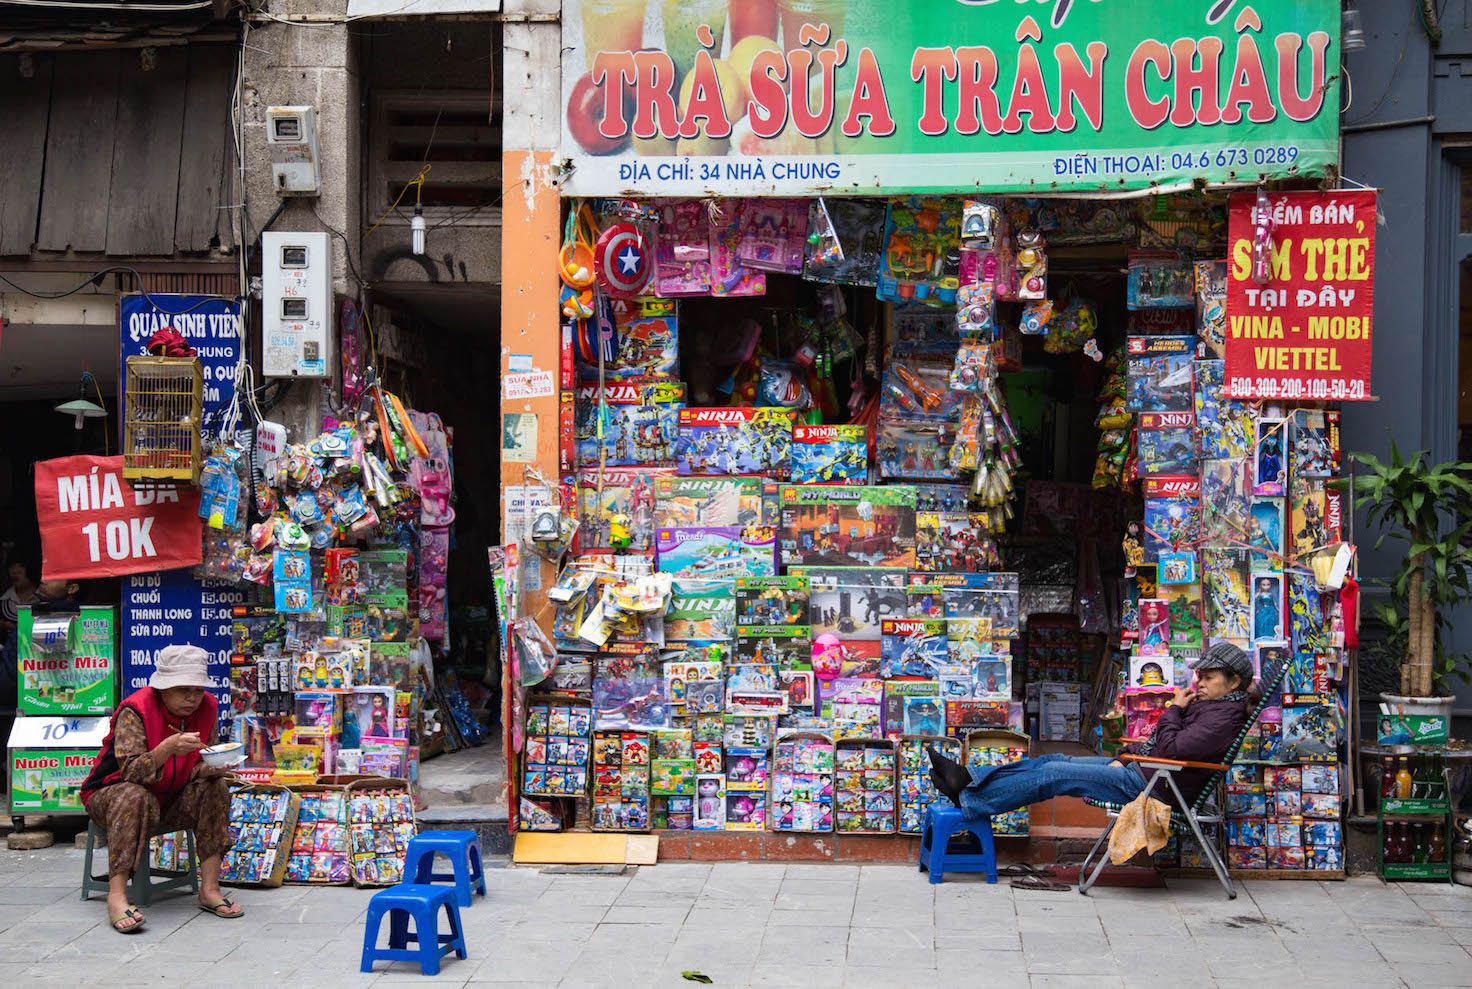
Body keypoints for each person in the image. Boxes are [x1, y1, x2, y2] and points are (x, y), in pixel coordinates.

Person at [928, 643, 1255, 821]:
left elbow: (1171, 750)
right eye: (1200, 676)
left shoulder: (1222, 719)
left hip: (1152, 789)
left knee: (1054, 774)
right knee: (1051, 760)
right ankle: (968, 779)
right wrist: (1127, 760)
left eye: (1208, 677)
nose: (1199, 683)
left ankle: (971, 796)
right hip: (1142, 774)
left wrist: (1174, 709)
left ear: (1234, 682)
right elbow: (1167, 747)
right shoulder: (1212, 707)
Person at [80, 645, 243, 934]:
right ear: (163, 688)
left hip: (170, 796)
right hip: (113, 796)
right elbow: (130, 773)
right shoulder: (136, 709)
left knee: (214, 787)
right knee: (133, 794)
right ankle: (117, 896)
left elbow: (198, 763)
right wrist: (165, 749)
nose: (192, 698)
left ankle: (210, 888)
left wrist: (211, 768)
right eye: (183, 690)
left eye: (197, 689)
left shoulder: (208, 707)